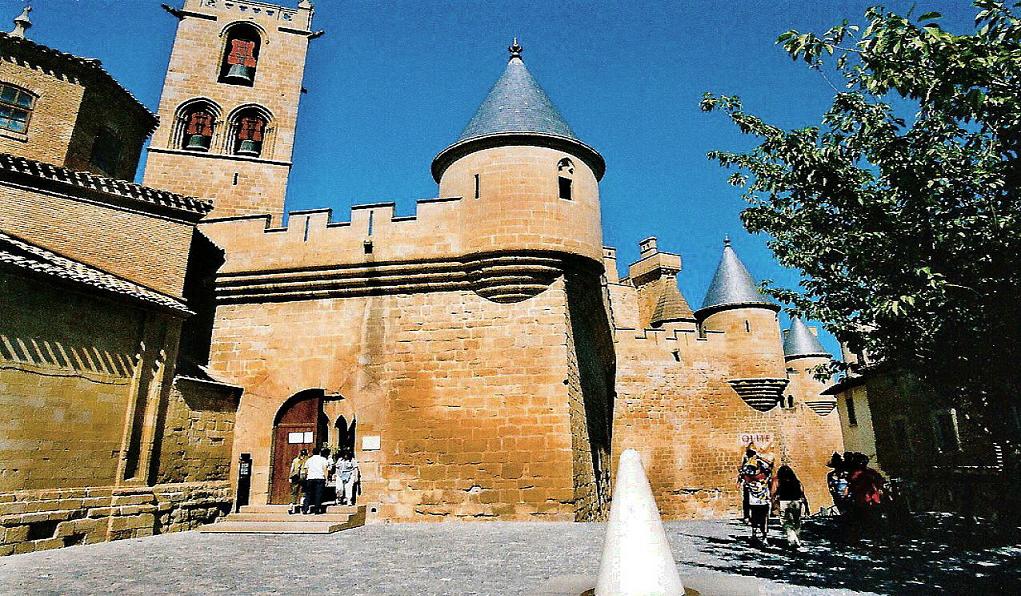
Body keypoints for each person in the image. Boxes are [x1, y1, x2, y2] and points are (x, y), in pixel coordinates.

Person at [739, 452, 774, 545]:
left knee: (754, 518)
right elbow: (771, 465)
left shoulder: (748, 478)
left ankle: (754, 535)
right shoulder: (764, 476)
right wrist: (760, 458)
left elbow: (742, 471)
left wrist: (747, 461)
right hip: (764, 501)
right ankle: (764, 538)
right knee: (764, 519)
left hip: (753, 501)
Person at [774, 464, 810, 550]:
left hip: (784, 502)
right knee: (797, 521)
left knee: (786, 522)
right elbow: (802, 494)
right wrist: (807, 506)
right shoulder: (797, 482)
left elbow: (774, 494)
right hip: (796, 502)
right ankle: (797, 539)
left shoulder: (778, 482)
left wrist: (774, 505)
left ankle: (792, 540)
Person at [302, 447, 330, 514]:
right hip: (320, 478)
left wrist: (305, 477)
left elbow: (306, 470)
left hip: (310, 478)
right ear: (319, 452)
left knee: (308, 494)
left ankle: (305, 509)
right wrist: (326, 479)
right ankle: (317, 510)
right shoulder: (323, 459)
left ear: (312, 452)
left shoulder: (309, 460)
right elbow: (325, 469)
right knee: (318, 494)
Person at [288, 448, 309, 515]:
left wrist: (290, 477)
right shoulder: (307, 461)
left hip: (295, 477)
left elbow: (292, 469)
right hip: (303, 477)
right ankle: (302, 506)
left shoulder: (295, 460)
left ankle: (291, 507)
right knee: (303, 492)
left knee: (294, 492)